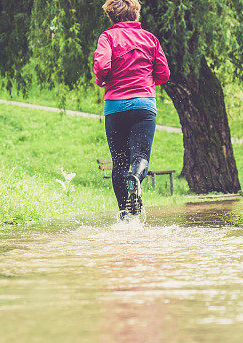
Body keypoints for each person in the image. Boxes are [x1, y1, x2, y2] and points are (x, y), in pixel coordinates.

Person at [93, 0, 170, 218]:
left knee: (119, 162)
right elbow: (164, 74)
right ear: (136, 14)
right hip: (144, 104)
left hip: (115, 106)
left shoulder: (107, 37)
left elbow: (102, 66)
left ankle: (125, 215)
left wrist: (103, 80)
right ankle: (136, 178)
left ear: (111, 16)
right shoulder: (150, 38)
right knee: (140, 156)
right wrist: (145, 80)